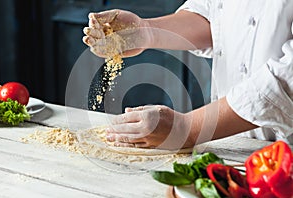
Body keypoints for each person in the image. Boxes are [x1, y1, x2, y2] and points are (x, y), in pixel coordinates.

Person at [82, 0, 293, 150]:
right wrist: (146, 31)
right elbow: (214, 15)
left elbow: (287, 77)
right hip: (235, 146)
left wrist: (186, 129)